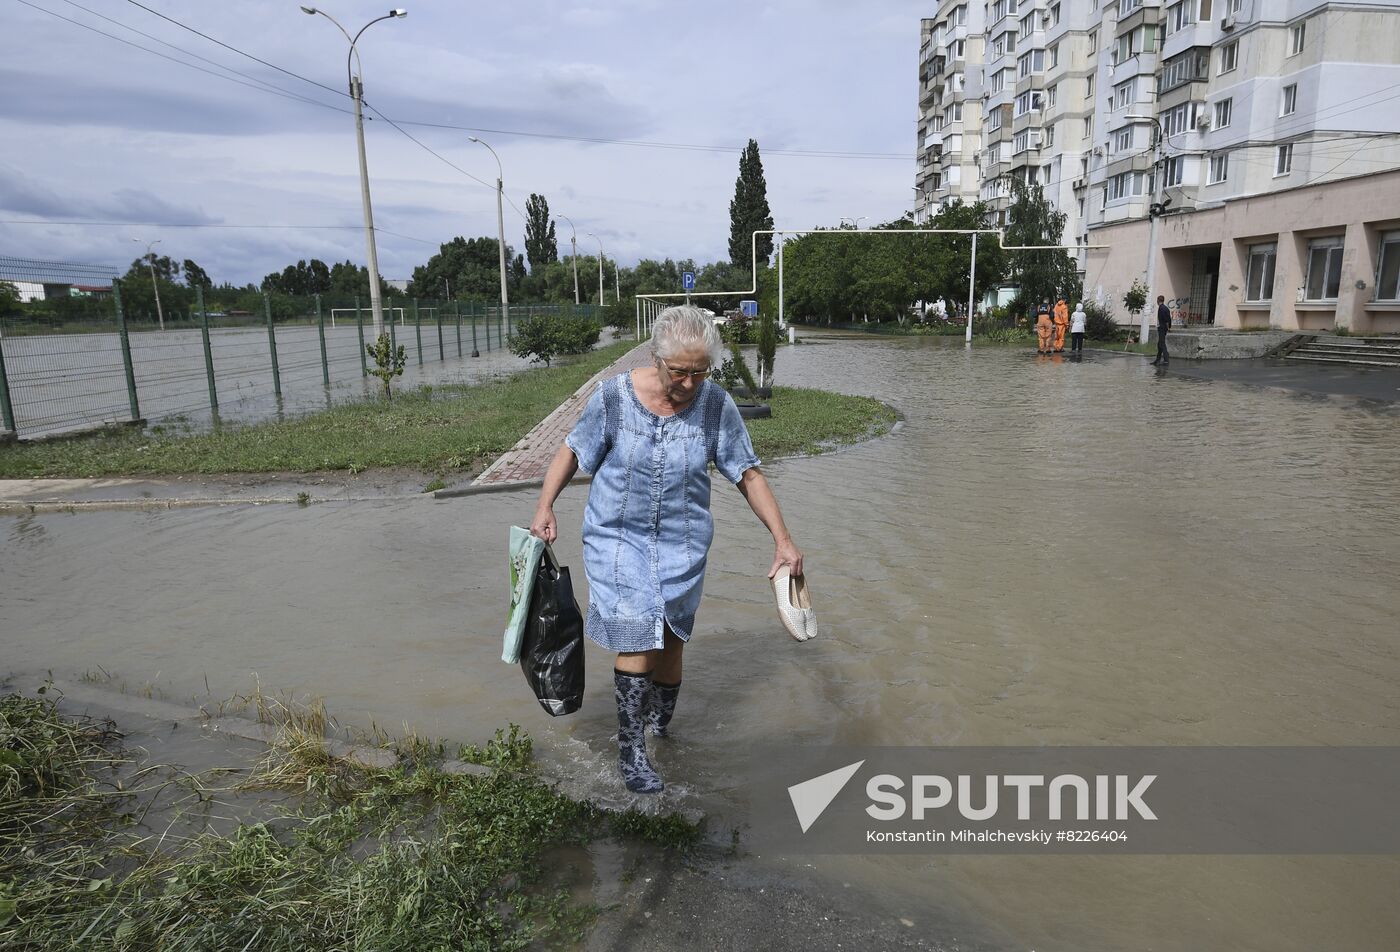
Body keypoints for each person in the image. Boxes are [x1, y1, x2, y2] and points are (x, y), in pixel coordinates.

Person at [532, 306, 804, 794]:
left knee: (672, 637)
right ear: (655, 358)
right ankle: (631, 749)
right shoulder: (614, 397)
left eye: (701, 371)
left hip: (683, 541)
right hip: (618, 537)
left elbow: (747, 473)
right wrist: (545, 506)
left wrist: (783, 541)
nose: (689, 382)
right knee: (638, 633)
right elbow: (573, 448)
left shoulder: (715, 405)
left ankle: (660, 730)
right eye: (680, 371)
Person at [1151, 295, 1171, 366]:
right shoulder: (1165, 308)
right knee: (1159, 344)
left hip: (1162, 328)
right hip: (1164, 328)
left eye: (1157, 300)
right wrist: (1169, 327)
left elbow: (1165, 319)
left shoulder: (1161, 308)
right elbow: (1169, 318)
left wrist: (1166, 326)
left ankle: (1166, 360)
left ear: (1158, 300)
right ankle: (1157, 360)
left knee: (1162, 344)